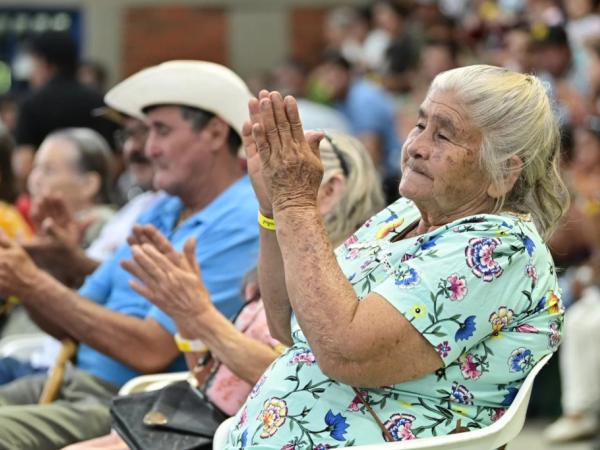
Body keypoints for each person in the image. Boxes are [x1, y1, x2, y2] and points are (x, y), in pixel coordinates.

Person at [226, 65, 567, 447]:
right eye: (420, 125)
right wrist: (272, 207)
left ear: (503, 172)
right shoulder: (402, 214)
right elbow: (286, 323)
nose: (416, 146)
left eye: (443, 136)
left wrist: (295, 201)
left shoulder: (500, 246)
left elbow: (345, 352)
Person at [63, 129, 385, 449]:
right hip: (200, 425)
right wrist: (185, 317)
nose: (262, 188)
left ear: (328, 190)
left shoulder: (343, 277)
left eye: (283, 175)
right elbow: (210, 381)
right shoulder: (273, 263)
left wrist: (200, 315)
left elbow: (297, 380)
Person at [0, 60, 259, 449]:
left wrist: (33, 283)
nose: (146, 148)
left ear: (216, 132)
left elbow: (150, 350)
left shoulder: (241, 219)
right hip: (77, 383)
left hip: (134, 405)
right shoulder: (163, 206)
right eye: (145, 132)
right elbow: (70, 320)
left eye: (162, 131)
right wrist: (40, 274)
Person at [13, 31, 118, 195]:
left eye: (34, 64)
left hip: (48, 200)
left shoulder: (33, 104)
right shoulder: (99, 101)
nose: (31, 72)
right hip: (96, 197)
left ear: (45, 63)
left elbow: (23, 163)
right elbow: (116, 159)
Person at [28, 128, 116, 250]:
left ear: (88, 184)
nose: (35, 179)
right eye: (35, 167)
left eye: (49, 170)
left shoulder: (105, 226)